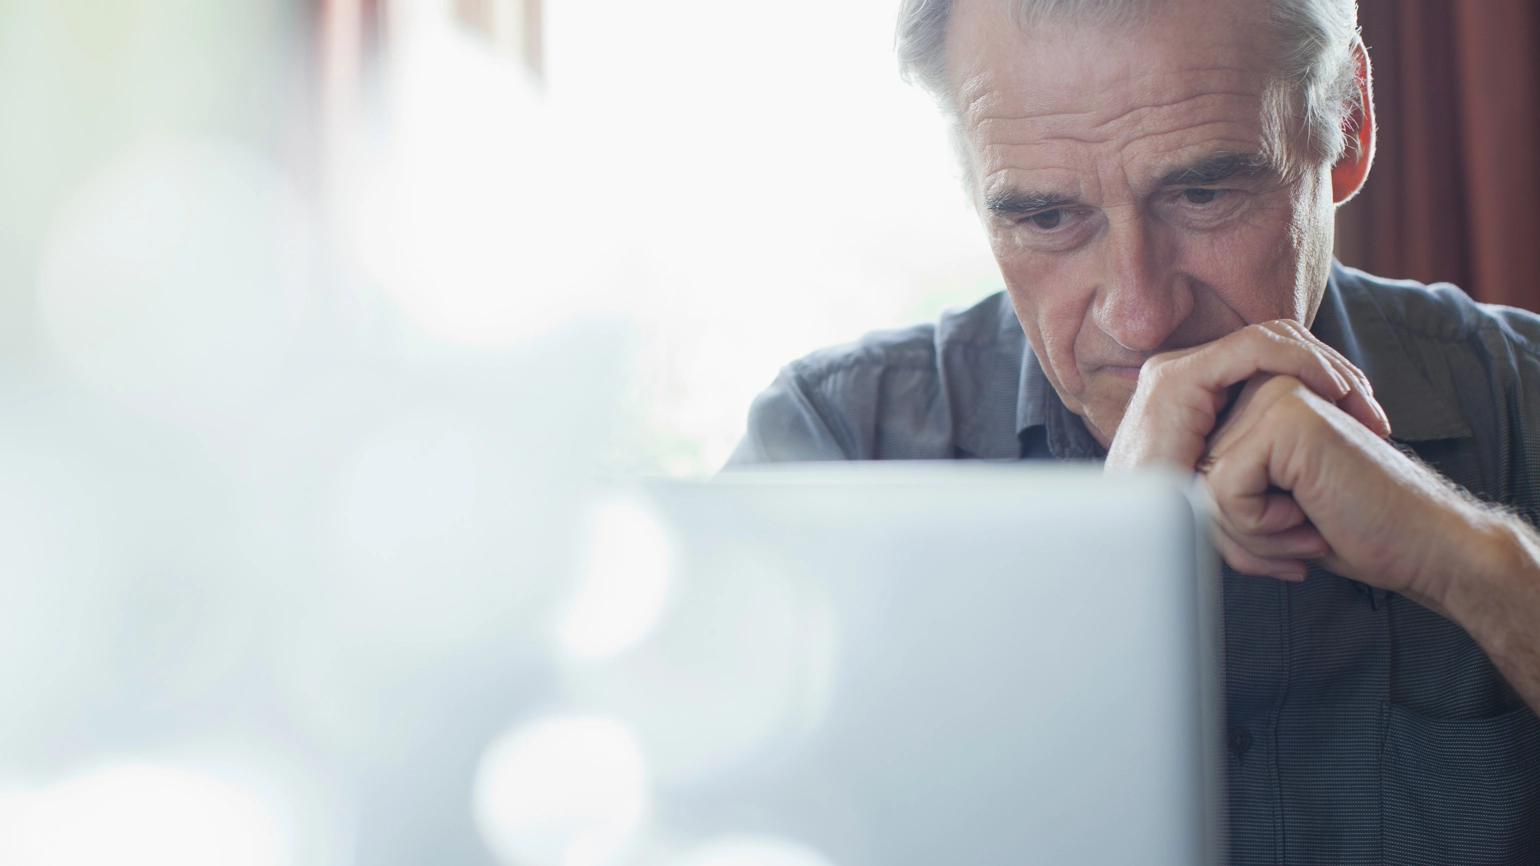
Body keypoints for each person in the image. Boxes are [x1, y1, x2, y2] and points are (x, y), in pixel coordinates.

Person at [727, 0, 1540, 860]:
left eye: (1203, 193)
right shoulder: (835, 450)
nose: (1142, 318)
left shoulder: (1522, 397)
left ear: (1347, 124)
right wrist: (1104, 586)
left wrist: (1471, 565)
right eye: (1046, 219)